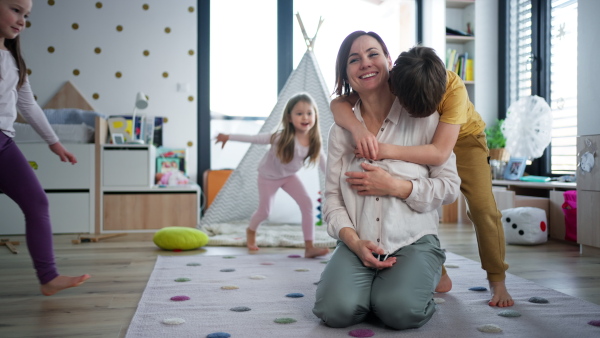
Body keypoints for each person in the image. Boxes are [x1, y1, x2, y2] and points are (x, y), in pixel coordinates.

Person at [330, 42, 514, 307]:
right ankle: (434, 269)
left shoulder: (454, 91)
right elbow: (339, 104)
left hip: (464, 138)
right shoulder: (394, 77)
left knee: (483, 209)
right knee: (417, 195)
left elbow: (439, 152)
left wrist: (382, 150)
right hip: (421, 136)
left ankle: (498, 281)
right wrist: (359, 130)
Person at [312, 31, 461, 330]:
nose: (365, 63)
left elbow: (450, 187)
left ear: (389, 61)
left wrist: (397, 186)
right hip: (359, 242)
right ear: (346, 74)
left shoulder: (425, 115)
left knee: (400, 312)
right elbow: (331, 198)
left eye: (373, 54)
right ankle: (376, 288)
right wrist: (354, 242)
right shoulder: (341, 132)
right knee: (334, 311)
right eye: (354, 59)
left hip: (413, 241)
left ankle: (424, 274)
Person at [0, 0, 90, 296]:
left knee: (37, 203)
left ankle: (48, 277)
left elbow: (29, 106)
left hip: (4, 144)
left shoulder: (13, 61)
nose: (22, 20)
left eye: (26, 15)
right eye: (15, 10)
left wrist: (54, 142)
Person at [215, 93, 329, 258]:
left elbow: (325, 166)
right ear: (289, 118)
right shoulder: (280, 137)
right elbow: (254, 139)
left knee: (307, 204)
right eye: (299, 113)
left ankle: (309, 247)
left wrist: (339, 181)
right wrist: (228, 137)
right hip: (268, 177)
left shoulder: (314, 141)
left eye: (309, 113)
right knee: (265, 212)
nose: (305, 117)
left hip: (289, 176)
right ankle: (251, 231)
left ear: (315, 116)